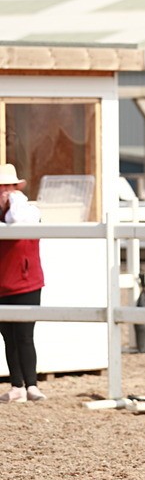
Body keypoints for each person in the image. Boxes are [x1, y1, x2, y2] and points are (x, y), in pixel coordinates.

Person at [0, 163, 46, 403]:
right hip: (2, 283)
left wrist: (15, 201)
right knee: (8, 336)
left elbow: (18, 219)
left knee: (25, 335)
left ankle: (32, 384)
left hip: (27, 282)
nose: (4, 192)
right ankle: (17, 384)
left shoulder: (29, 210)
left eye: (8, 187)